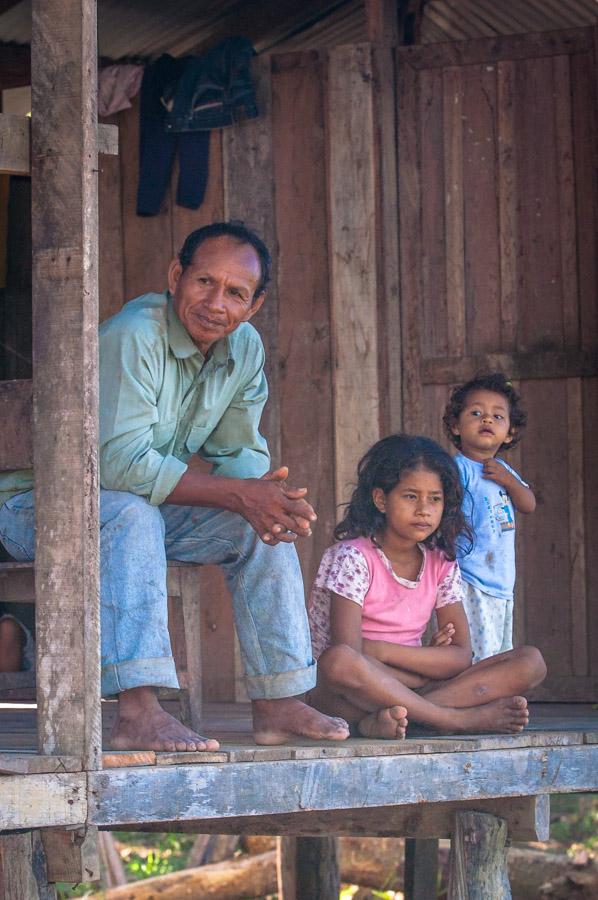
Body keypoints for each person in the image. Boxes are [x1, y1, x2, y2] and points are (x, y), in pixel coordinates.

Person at [0, 221, 349, 751]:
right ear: (174, 277)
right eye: (204, 282)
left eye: (235, 293)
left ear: (253, 306)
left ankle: (277, 702)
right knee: (134, 513)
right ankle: (137, 711)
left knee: (259, 527)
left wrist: (264, 497)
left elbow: (238, 452)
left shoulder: (244, 349)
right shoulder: (135, 334)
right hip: (39, 506)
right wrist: (239, 494)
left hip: (132, 503)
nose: (216, 303)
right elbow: (115, 465)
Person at [306, 434, 546, 738]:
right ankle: (452, 720)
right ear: (381, 499)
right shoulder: (352, 558)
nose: (424, 509)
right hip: (349, 691)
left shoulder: (441, 562)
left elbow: (460, 656)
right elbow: (349, 653)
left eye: (435, 498)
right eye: (410, 496)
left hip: (409, 682)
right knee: (338, 663)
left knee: (530, 662)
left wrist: (380, 650)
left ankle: (396, 718)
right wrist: (425, 665)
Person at [442, 373, 535, 661]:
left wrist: (509, 481)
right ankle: (473, 698)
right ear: (456, 426)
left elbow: (528, 504)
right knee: (475, 653)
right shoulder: (457, 470)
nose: (487, 420)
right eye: (476, 413)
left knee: (498, 649)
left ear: (509, 433)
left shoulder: (505, 472)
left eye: (498, 416)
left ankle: (492, 697)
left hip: (501, 580)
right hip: (469, 576)